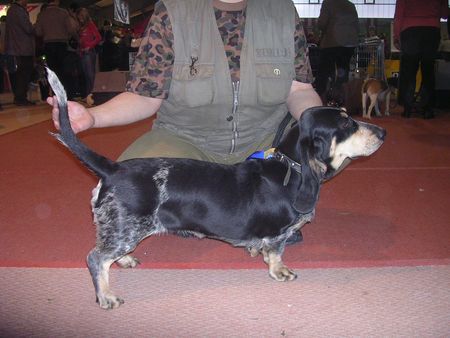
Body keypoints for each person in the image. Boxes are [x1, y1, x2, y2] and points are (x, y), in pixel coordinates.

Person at [50, 0, 321, 165]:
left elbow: (299, 89)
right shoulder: (171, 12)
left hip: (266, 143)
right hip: (187, 142)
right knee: (129, 181)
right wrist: (91, 117)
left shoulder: (283, 12)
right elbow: (145, 95)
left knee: (330, 148)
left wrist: (323, 125)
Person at [394, 0, 449, 119]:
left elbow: (399, 13)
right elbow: (445, 13)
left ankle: (407, 108)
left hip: (410, 31)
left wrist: (396, 36)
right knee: (428, 71)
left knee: (409, 71)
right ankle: (427, 108)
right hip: (431, 31)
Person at [315, 0, 359, 104]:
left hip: (332, 42)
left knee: (323, 70)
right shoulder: (350, 5)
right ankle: (340, 99)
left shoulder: (328, 2)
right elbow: (357, 25)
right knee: (343, 71)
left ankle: (320, 98)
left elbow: (322, 23)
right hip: (349, 43)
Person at [35, 0, 78, 99]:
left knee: (53, 72)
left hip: (48, 46)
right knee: (64, 71)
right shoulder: (63, 13)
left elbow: (38, 32)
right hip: (62, 45)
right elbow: (71, 29)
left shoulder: (42, 14)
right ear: (57, 1)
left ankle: (56, 95)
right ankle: (67, 95)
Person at [5, 0, 35, 106]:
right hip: (23, 49)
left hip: (13, 49)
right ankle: (21, 98)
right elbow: (28, 28)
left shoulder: (10, 11)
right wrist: (34, 27)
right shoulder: (19, 11)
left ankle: (18, 97)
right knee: (24, 74)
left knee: (16, 75)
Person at [76, 7, 101, 104]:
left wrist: (89, 46)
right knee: (86, 75)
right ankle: (88, 95)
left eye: (81, 17)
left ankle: (93, 95)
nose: (80, 19)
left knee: (90, 75)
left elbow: (98, 37)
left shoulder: (90, 24)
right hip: (82, 53)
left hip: (89, 53)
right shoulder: (81, 27)